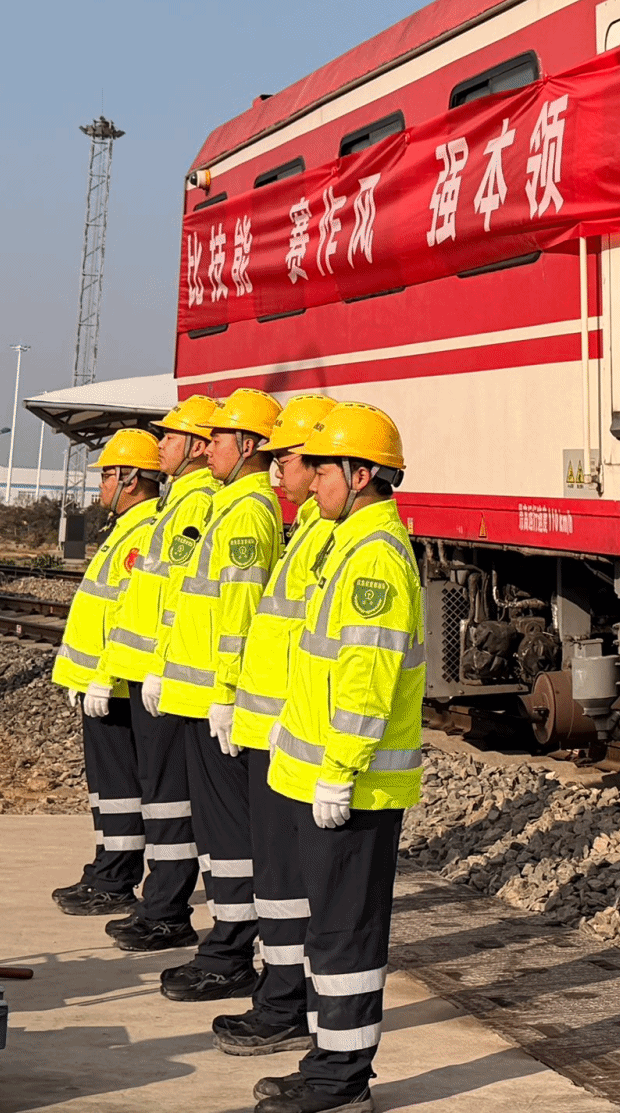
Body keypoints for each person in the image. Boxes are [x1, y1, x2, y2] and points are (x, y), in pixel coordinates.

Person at [255, 403, 422, 1113]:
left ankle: (342, 1082)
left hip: (353, 787)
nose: (312, 478)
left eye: (323, 467)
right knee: (329, 932)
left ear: (360, 475)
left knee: (347, 936)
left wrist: (340, 770)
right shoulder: (346, 543)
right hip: (324, 778)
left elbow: (365, 679)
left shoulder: (374, 557)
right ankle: (328, 1061)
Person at [214, 393, 337, 1057]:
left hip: (290, 739)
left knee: (290, 883)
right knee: (279, 881)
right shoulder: (309, 531)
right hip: (273, 734)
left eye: (284, 458)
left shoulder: (323, 537)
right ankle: (282, 993)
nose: (275, 470)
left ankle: (287, 1002)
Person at [154, 388, 286, 1003]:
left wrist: (227, 694)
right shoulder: (228, 506)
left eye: (219, 439)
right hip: (201, 695)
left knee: (230, 835)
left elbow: (240, 611)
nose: (208, 450)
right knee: (216, 832)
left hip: (217, 700)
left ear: (249, 445)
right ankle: (224, 944)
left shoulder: (248, 513)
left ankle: (231, 953)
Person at [98, 394, 222, 953]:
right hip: (161, 673)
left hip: (172, 677)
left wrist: (157, 668)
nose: (161, 445)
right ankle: (161, 904)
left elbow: (176, 600)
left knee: (170, 800)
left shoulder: (196, 505)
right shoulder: (180, 502)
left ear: (195, 446)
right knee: (161, 797)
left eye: (170, 436)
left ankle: (167, 910)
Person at [49, 428, 165, 916]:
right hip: (102, 684)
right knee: (108, 789)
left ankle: (115, 879)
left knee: (119, 788)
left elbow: (129, 617)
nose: (101, 485)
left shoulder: (143, 532)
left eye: (106, 476)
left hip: (114, 688)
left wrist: (103, 676)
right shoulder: (125, 529)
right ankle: (105, 869)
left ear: (130, 479)